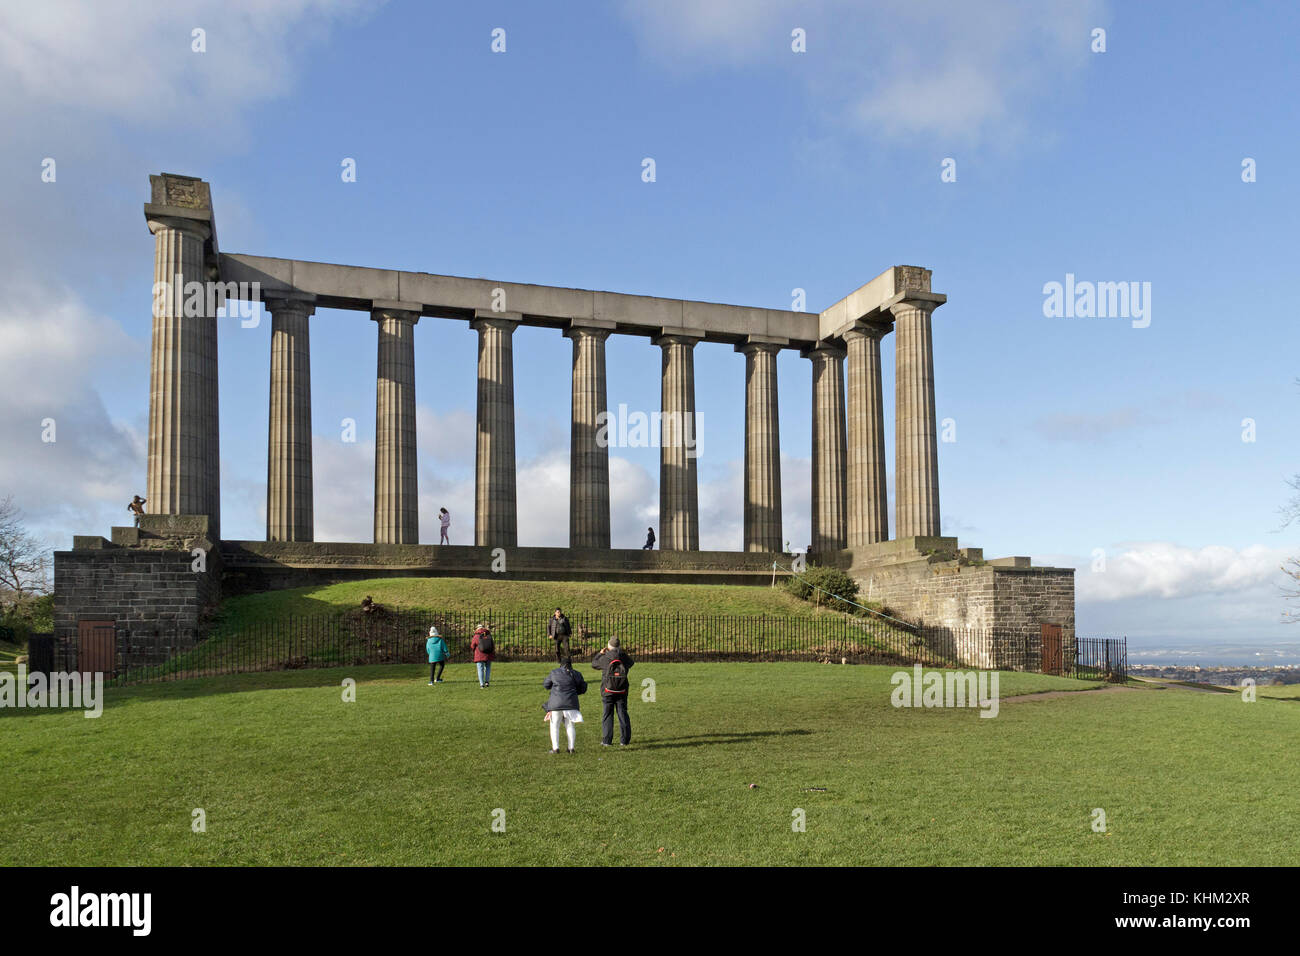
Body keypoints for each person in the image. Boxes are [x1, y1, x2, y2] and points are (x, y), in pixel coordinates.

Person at [591, 637, 634, 747]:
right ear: (619, 646)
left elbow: (594, 664)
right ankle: (624, 740)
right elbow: (631, 663)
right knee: (622, 713)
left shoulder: (605, 657)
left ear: (609, 646)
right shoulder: (623, 657)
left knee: (607, 714)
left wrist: (600, 654)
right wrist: (621, 652)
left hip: (607, 689)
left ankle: (607, 740)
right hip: (622, 689)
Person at [543, 656, 587, 754]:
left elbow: (546, 685)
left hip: (556, 704)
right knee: (570, 725)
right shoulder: (576, 674)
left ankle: (555, 748)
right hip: (571, 703)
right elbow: (583, 688)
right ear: (571, 665)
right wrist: (575, 692)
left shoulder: (554, 672)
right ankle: (571, 748)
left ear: (560, 665)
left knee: (554, 725)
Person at [471, 622, 495, 688]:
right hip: (488, 654)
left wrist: (474, 651)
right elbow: (492, 645)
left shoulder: (476, 636)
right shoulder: (488, 635)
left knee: (480, 669)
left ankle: (482, 684)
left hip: (479, 655)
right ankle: (487, 682)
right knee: (488, 668)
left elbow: (472, 646)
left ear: (477, 629)